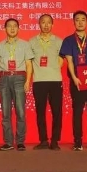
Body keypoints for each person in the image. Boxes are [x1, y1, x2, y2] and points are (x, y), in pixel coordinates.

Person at [60, 10, 87, 151]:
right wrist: (74, 78)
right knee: (77, 112)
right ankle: (78, 142)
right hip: (77, 82)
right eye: (77, 20)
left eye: (83, 19)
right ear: (73, 22)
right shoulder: (68, 40)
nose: (80, 22)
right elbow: (69, 61)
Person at [0, 18, 34, 151]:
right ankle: (8, 142)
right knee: (5, 113)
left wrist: (28, 80)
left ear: (18, 28)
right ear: (5, 29)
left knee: (20, 111)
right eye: (9, 26)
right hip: (3, 79)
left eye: (15, 26)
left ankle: (20, 141)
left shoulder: (25, 45)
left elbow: (29, 64)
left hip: (19, 78)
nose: (12, 28)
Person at [29, 14, 63, 150]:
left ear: (52, 25)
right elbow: (29, 62)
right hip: (39, 81)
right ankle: (43, 140)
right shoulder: (32, 42)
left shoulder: (59, 41)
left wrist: (53, 69)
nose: (46, 25)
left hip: (55, 80)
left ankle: (55, 141)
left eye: (49, 22)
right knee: (40, 112)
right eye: (43, 22)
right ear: (39, 24)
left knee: (57, 112)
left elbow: (61, 60)